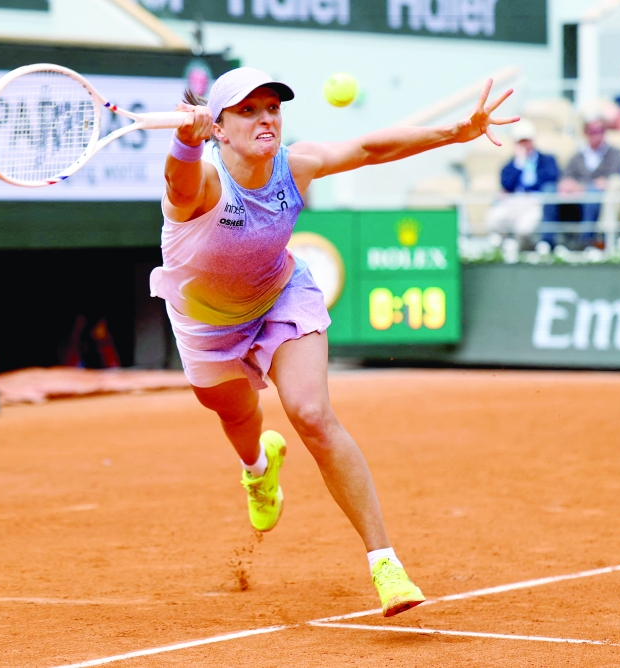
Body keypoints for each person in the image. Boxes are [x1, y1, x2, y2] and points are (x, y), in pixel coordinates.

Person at [152, 67, 516, 617]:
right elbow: (178, 183)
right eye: (247, 110)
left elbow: (369, 149)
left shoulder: (295, 165)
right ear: (218, 129)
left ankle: (386, 564)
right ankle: (258, 469)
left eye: (272, 108)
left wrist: (455, 132)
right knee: (234, 412)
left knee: (311, 413)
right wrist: (184, 141)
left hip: (278, 297)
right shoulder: (202, 182)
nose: (265, 119)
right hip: (206, 324)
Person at [485, 119, 559, 242]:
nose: (524, 145)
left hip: (536, 201)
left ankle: (521, 245)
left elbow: (551, 179)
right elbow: (506, 184)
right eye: (521, 142)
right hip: (514, 200)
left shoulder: (547, 161)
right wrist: (519, 164)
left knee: (524, 228)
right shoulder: (510, 165)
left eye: (526, 141)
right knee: (494, 219)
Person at [557, 114, 620, 246]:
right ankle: (548, 242)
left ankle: (586, 242)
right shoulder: (578, 155)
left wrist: (582, 187)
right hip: (578, 196)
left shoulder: (616, 154)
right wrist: (571, 185)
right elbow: (567, 177)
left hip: (603, 198)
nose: (596, 134)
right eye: (592, 131)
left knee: (592, 193)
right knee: (550, 190)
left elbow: (611, 180)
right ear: (585, 133)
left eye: (600, 130)